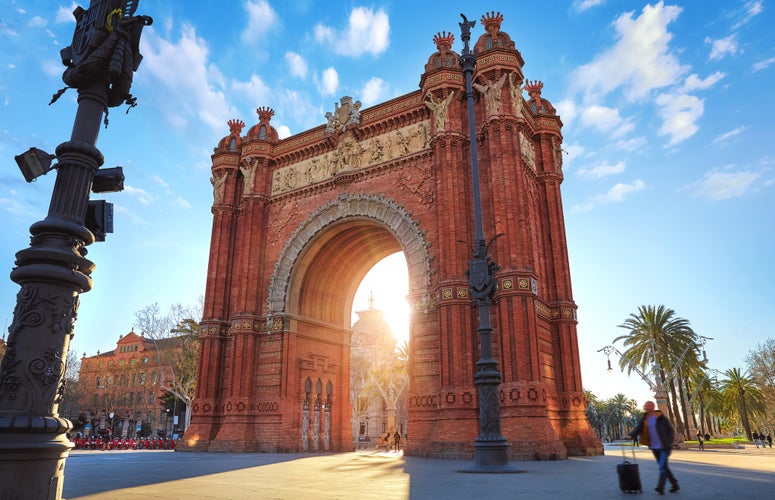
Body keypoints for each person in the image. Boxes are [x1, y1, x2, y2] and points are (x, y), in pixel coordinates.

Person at [627, 401, 679, 495]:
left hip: (664, 446)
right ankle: (674, 484)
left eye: (647, 406)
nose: (645, 407)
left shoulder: (661, 417)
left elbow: (670, 430)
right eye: (645, 406)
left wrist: (669, 441)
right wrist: (631, 435)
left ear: (652, 406)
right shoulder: (644, 418)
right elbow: (638, 429)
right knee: (664, 467)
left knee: (662, 466)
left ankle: (660, 487)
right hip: (654, 447)